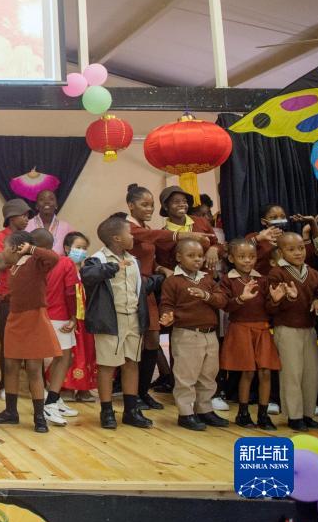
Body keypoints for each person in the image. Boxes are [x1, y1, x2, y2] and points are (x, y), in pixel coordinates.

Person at [125, 184, 207, 407]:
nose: (149, 209)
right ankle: (131, 395)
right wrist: (181, 234)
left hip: (148, 289)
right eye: (144, 204)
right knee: (135, 343)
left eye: (151, 205)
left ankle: (143, 392)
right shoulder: (128, 226)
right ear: (131, 205)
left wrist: (161, 269)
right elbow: (151, 236)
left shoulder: (145, 226)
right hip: (131, 289)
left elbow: (151, 259)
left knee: (153, 338)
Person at [81, 216, 154, 430]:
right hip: (110, 321)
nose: (133, 236)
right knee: (107, 366)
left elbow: (139, 288)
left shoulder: (134, 260)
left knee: (131, 362)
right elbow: (87, 275)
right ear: (117, 238)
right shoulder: (97, 259)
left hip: (133, 318)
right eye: (129, 233)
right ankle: (107, 410)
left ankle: (131, 410)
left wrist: (158, 281)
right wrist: (113, 267)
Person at [0, 231, 62, 433]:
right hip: (15, 319)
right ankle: (11, 412)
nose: (1, 252)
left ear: (15, 248)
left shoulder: (35, 263)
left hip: (33, 319)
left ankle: (39, 416)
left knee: (34, 369)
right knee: (10, 366)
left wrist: (32, 249)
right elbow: (14, 294)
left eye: (4, 247)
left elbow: (54, 258)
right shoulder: (14, 268)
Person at [159, 238, 228, 431]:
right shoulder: (173, 281)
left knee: (208, 375)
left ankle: (204, 409)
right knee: (186, 376)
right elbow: (166, 304)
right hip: (186, 334)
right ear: (179, 257)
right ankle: (186, 413)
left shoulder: (207, 279)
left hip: (210, 334)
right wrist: (167, 315)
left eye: (200, 256)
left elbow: (222, 300)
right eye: (191, 255)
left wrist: (206, 296)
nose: (197, 259)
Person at [217, 239, 281, 430]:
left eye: (252, 256)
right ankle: (243, 413)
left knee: (266, 371)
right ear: (231, 258)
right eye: (242, 256)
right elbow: (226, 306)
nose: (247, 260)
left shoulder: (263, 280)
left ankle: (263, 414)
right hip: (241, 328)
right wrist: (241, 299)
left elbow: (270, 308)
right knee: (247, 371)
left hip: (262, 329)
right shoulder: (227, 280)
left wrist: (275, 301)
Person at [267, 232, 318, 431]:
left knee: (311, 374)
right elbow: (271, 306)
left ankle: (308, 414)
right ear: (281, 252)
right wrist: (284, 299)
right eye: (291, 249)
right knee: (292, 373)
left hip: (309, 329)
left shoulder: (313, 273)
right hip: (287, 329)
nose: (298, 253)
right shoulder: (277, 274)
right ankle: (294, 415)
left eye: (300, 248)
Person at [36, 229, 81, 423]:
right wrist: (73, 317)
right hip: (60, 316)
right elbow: (71, 292)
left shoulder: (29, 264)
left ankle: (54, 397)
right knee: (64, 358)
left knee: (48, 360)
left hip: (37, 316)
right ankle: (51, 402)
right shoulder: (65, 262)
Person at [0, 198, 32, 393]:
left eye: (28, 215)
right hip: (6, 295)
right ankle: (6, 383)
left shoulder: (30, 237)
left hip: (28, 296)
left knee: (31, 341)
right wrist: (24, 254)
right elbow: (1, 264)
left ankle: (35, 383)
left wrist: (13, 255)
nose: (27, 219)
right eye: (23, 215)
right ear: (11, 217)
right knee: (7, 340)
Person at [59, 232, 98, 402]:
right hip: (69, 318)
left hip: (86, 320)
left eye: (84, 248)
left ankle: (84, 388)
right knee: (70, 353)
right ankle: (66, 387)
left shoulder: (87, 270)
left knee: (87, 353)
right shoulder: (61, 267)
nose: (82, 251)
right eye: (78, 247)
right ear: (67, 248)